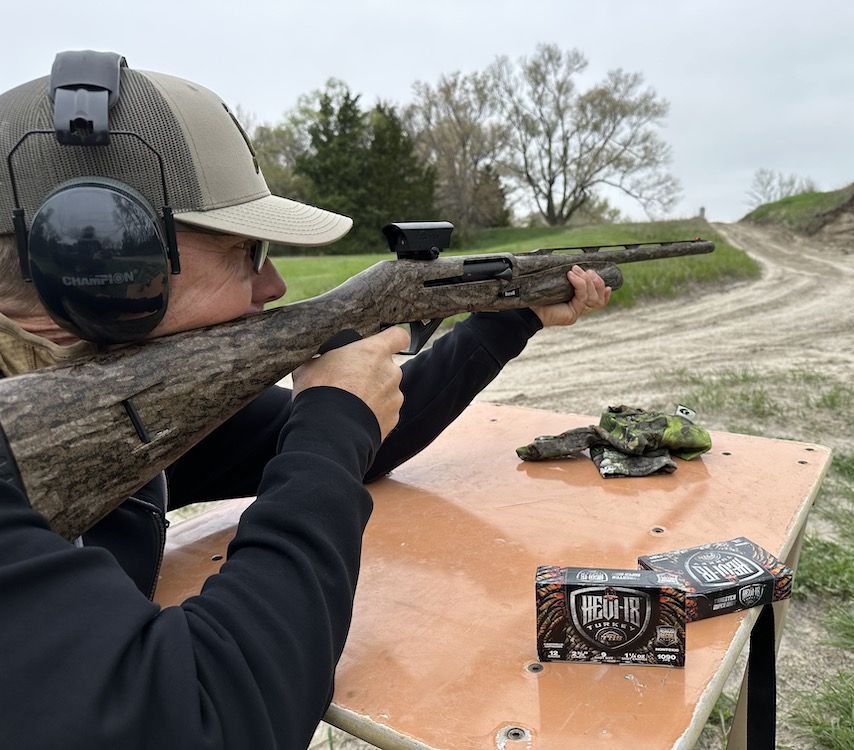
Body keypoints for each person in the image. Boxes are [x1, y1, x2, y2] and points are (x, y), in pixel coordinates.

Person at [0, 52, 610, 749]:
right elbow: (214, 717)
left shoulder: (94, 405)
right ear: (100, 267)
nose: (275, 287)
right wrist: (329, 430)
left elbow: (368, 435)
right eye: (247, 252)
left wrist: (508, 317)